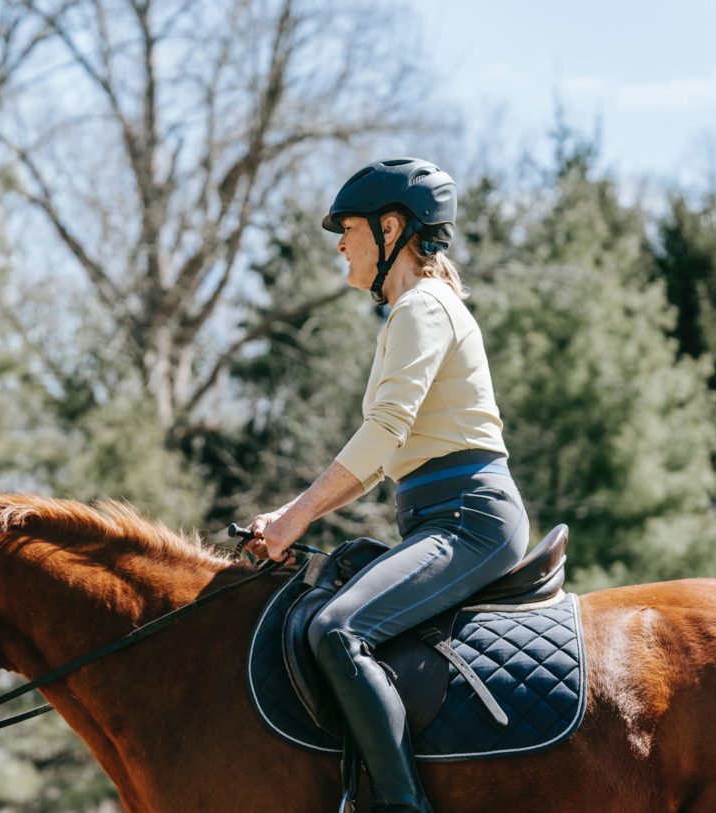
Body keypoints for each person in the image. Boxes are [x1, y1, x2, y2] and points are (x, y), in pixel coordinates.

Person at [246, 158, 530, 813]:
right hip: (441, 517)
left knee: (338, 629)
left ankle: (402, 806)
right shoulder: (413, 310)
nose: (339, 242)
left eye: (347, 227)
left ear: (392, 227)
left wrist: (294, 515)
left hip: (469, 519)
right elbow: (383, 450)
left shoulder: (421, 307)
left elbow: (382, 437)